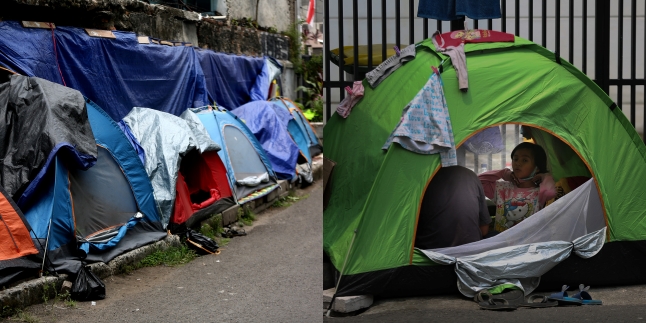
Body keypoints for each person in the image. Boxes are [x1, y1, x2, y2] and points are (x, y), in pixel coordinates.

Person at [479, 142, 556, 233]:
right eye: (515, 159)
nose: (517, 163)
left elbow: (551, 193)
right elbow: (478, 181)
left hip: (527, 244)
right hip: (502, 244)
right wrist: (504, 173)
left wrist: (545, 176)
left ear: (537, 168)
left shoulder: (539, 192)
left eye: (524, 160)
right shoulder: (502, 188)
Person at [415, 165, 491, 249]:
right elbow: (484, 230)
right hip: (469, 251)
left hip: (428, 252)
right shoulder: (470, 175)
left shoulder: (420, 178)